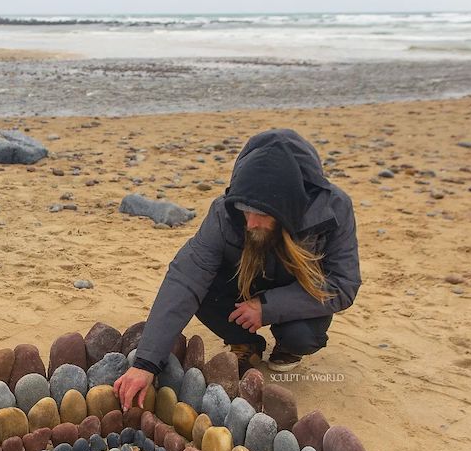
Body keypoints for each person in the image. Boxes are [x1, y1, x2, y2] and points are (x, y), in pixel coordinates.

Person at [113, 128, 361, 411]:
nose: (251, 223)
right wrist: (146, 363)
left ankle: (287, 346)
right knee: (200, 289)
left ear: (287, 209)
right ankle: (245, 343)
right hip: (244, 284)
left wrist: (268, 307)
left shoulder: (334, 209)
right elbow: (185, 278)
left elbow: (343, 284)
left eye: (263, 215)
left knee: (302, 337)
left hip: (299, 291)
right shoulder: (225, 211)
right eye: (246, 210)